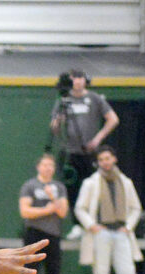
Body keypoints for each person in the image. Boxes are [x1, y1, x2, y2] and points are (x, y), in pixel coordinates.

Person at [74, 145, 145, 274]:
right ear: (98, 162)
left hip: (121, 232)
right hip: (101, 233)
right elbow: (80, 208)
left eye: (107, 158)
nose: (105, 162)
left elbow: (135, 208)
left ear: (114, 159)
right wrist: (92, 225)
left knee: (128, 273)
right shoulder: (91, 183)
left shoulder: (125, 182)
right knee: (101, 273)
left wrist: (128, 226)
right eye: (101, 160)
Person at [50, 69, 119, 202]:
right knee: (70, 191)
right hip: (69, 153)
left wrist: (97, 139)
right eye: (74, 78)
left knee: (91, 190)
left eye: (80, 78)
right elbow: (54, 128)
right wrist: (58, 120)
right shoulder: (64, 99)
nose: (78, 82)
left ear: (85, 80)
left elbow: (113, 119)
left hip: (88, 152)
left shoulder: (94, 98)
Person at [18, 153, 69, 274]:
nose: (48, 168)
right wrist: (47, 210)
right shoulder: (30, 186)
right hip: (34, 233)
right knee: (30, 272)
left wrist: (53, 197)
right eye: (45, 165)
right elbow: (25, 211)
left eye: (51, 165)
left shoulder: (59, 187)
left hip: (53, 235)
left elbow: (62, 212)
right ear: (38, 167)